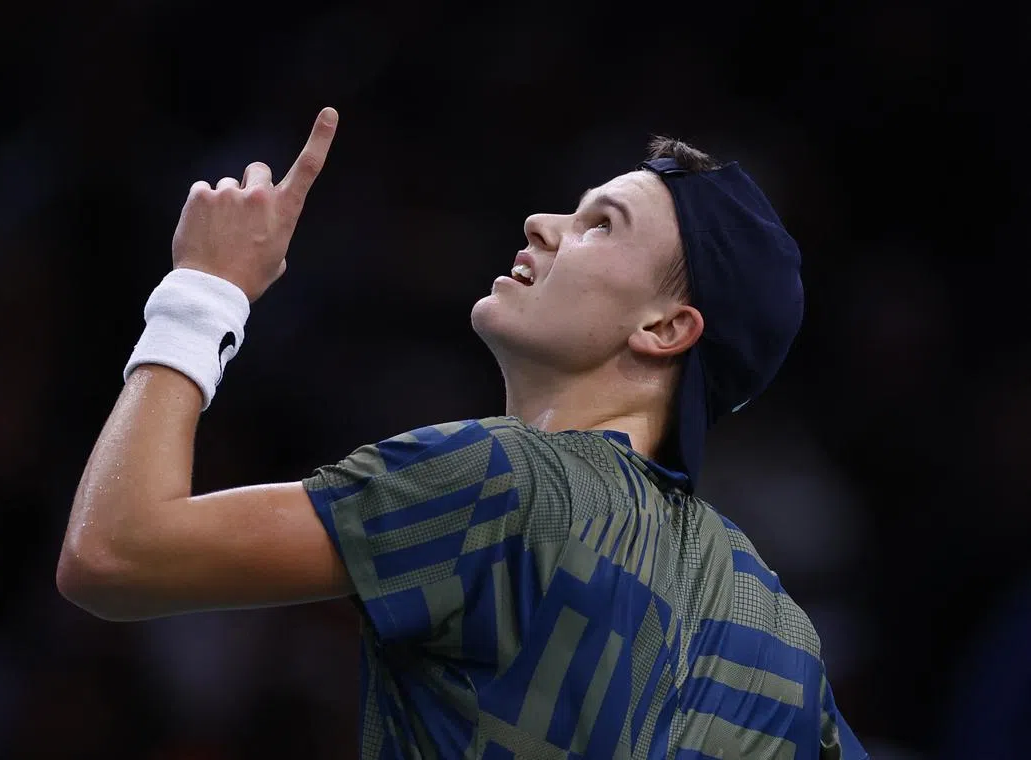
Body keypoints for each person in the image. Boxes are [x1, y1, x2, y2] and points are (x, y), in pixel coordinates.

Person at [57, 107, 868, 759]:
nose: (543, 223)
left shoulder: (502, 480)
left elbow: (115, 553)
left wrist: (204, 289)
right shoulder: (780, 632)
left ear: (665, 327)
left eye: (601, 225)